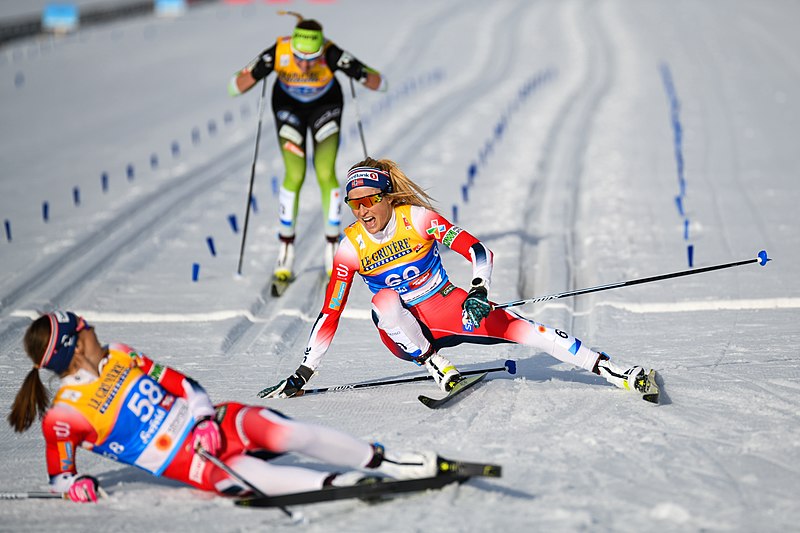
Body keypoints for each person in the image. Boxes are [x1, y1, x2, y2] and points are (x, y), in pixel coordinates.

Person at [263, 158, 658, 401]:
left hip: (450, 307)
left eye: (369, 201)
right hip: (404, 333)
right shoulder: (350, 247)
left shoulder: (417, 218)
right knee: (382, 301)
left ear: (387, 198)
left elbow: (478, 251)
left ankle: (618, 373)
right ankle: (437, 366)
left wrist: (478, 290)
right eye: (354, 204)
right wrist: (303, 372)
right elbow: (330, 312)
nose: (362, 211)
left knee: (532, 332)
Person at [7, 311, 439, 503]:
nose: (94, 328)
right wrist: (74, 487)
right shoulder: (64, 415)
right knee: (260, 477)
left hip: (214, 423)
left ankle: (390, 461)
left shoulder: (119, 353)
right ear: (73, 346)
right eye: (84, 328)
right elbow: (60, 478)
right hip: (195, 464)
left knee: (287, 433)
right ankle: (343, 484)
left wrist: (201, 419)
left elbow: (185, 384)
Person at [228, 11, 387, 281]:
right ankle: (285, 249)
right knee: (295, 174)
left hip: (325, 106)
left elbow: (381, 83)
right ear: (292, 48)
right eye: (300, 58)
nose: (304, 65)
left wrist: (357, 71)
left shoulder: (330, 52)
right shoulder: (278, 52)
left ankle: (333, 247)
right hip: (288, 108)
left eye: (312, 59)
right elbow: (234, 87)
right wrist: (256, 71)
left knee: (325, 173)